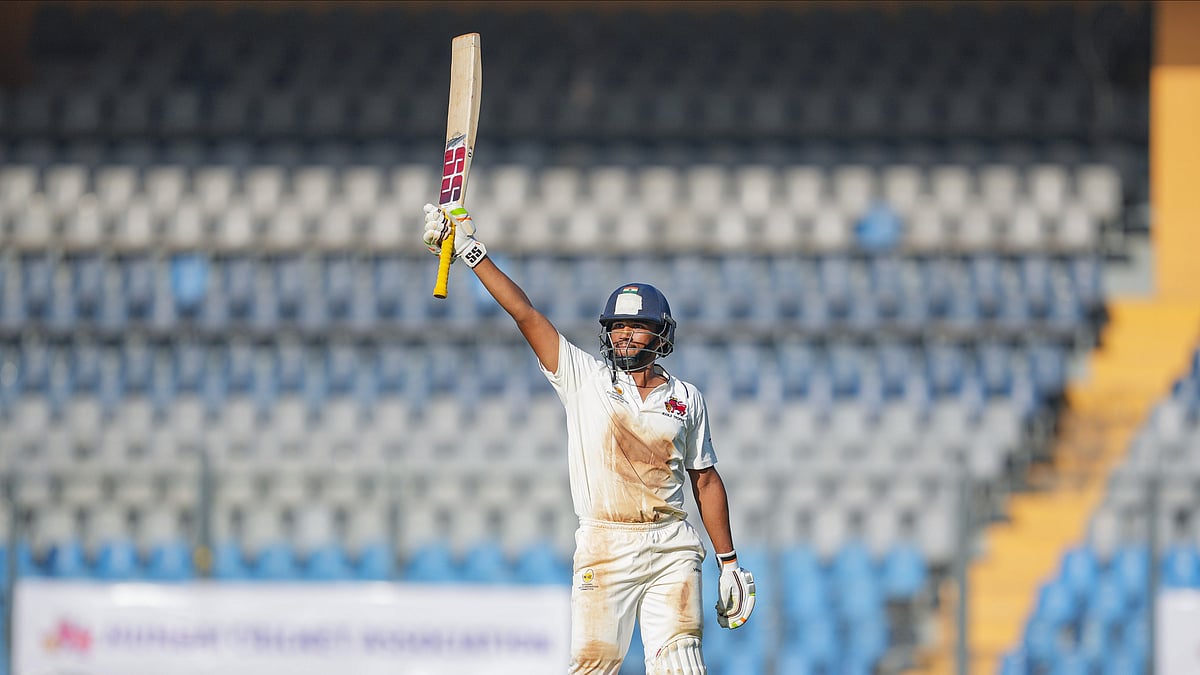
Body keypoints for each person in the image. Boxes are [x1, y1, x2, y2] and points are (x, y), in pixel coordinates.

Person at [422, 202, 755, 674]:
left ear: (660, 335)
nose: (623, 334)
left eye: (635, 325)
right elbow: (526, 314)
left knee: (681, 664)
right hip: (606, 540)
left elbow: (705, 480)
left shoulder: (686, 398)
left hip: (671, 544)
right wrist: (472, 253)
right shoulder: (586, 378)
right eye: (616, 325)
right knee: (594, 665)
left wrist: (729, 561)